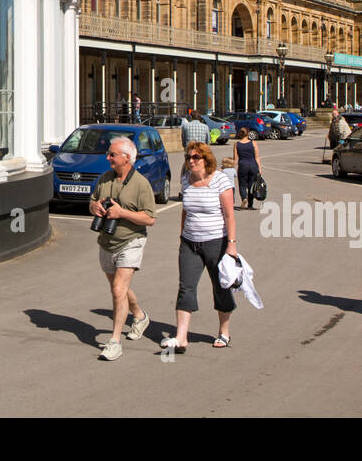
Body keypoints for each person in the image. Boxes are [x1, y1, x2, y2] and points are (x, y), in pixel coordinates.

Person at [162, 140, 237, 352]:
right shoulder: (186, 180)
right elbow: (185, 210)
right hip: (189, 243)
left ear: (206, 160)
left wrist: (231, 245)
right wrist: (181, 234)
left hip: (216, 242)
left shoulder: (220, 180)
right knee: (186, 287)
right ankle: (181, 337)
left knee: (220, 286)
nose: (191, 161)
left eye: (196, 157)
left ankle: (224, 331)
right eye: (188, 157)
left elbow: (229, 215)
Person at [89, 135, 158, 361]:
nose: (107, 157)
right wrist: (96, 207)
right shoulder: (105, 178)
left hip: (131, 240)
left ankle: (114, 341)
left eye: (112, 154)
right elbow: (91, 201)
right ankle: (139, 315)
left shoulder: (141, 184)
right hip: (107, 241)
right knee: (119, 288)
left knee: (118, 289)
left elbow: (149, 218)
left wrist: (122, 213)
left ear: (127, 158)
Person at [234, 127, 262, 210]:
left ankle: (244, 198)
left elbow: (235, 159)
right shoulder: (253, 143)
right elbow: (257, 157)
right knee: (251, 186)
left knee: (242, 185)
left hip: (242, 166)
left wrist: (231, 168)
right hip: (253, 165)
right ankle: (250, 205)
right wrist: (260, 168)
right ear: (248, 134)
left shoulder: (237, 144)